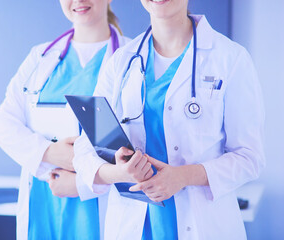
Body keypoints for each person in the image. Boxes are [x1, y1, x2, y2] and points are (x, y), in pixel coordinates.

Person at [73, 0, 265, 239]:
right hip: (133, 226)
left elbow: (249, 158)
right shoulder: (122, 61)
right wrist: (119, 172)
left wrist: (183, 176)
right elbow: (85, 148)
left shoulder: (230, 58)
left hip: (202, 226)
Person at [0, 0, 130, 239]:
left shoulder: (131, 57)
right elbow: (3, 126)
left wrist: (82, 184)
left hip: (99, 202)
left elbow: (138, 148)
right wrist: (50, 152)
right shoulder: (40, 57)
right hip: (43, 201)